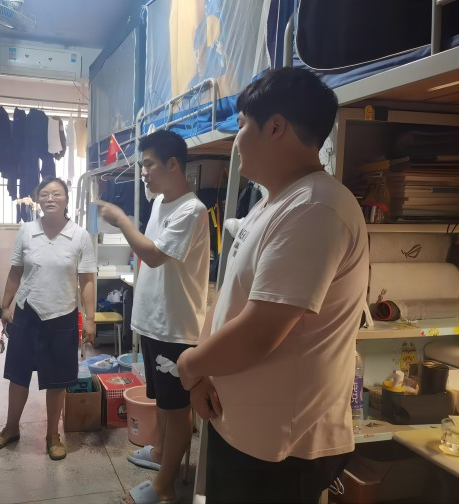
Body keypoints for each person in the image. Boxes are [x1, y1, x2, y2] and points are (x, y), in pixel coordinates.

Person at [177, 67, 369, 503]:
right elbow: (230, 297)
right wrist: (202, 370)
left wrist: (189, 366)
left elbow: (261, 330)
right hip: (244, 429)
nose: (236, 139)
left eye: (243, 125)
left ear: (276, 127)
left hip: (281, 447)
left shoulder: (316, 207)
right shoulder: (272, 202)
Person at [98, 129, 210, 504]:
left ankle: (164, 486)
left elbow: (154, 255)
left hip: (174, 327)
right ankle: (161, 453)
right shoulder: (162, 201)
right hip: (154, 321)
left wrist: (122, 220)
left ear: (173, 164)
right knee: (163, 400)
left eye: (148, 164)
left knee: (177, 408)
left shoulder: (192, 211)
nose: (143, 172)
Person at [0, 177, 96, 461]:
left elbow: (86, 280)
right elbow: (15, 272)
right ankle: (11, 428)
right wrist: (5, 306)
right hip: (27, 312)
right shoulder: (27, 231)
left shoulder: (79, 236)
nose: (50, 199)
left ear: (66, 200)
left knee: (57, 380)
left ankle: (52, 435)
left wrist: (90, 318)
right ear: (37, 199)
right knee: (18, 375)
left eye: (56, 194)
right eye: (44, 194)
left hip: (62, 315)